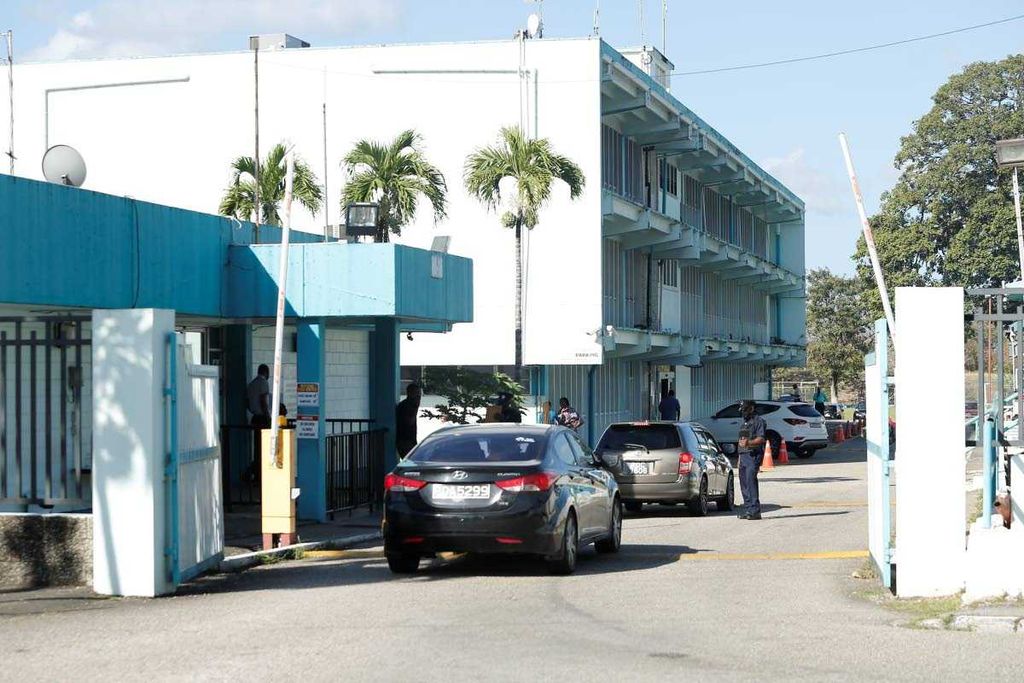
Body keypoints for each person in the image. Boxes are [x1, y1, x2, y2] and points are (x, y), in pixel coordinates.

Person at [737, 400, 766, 520]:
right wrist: (739, 458)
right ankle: (749, 509)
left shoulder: (758, 421)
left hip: (753, 455)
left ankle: (755, 511)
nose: (743, 412)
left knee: (750, 482)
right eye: (742, 410)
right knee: (744, 483)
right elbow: (741, 441)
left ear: (752, 408)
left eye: (745, 409)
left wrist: (749, 443)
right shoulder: (744, 422)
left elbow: (761, 439)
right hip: (743, 456)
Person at [396, 383, 422, 458]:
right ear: (410, 393)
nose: (419, 396)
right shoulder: (405, 406)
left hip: (410, 440)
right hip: (404, 442)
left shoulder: (410, 405)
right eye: (417, 393)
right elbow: (410, 421)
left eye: (419, 394)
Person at [247, 364, 271, 429]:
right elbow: (263, 400)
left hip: (254, 418)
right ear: (265, 372)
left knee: (256, 435)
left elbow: (247, 402)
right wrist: (268, 416)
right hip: (262, 418)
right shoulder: (263, 382)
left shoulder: (251, 384)